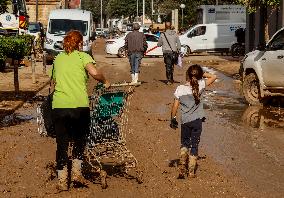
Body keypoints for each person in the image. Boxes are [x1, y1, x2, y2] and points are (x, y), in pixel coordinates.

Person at [51, 30, 110, 191]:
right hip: (79, 106)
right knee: (79, 140)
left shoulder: (58, 58)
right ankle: (77, 173)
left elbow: (54, 82)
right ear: (79, 43)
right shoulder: (83, 56)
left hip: (59, 106)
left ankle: (62, 180)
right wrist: (105, 81)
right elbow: (94, 73)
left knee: (61, 144)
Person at [170, 64, 217, 179]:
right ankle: (191, 172)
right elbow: (214, 76)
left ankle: (182, 166)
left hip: (185, 121)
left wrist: (173, 118)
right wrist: (202, 74)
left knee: (185, 143)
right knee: (194, 145)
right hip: (197, 121)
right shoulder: (200, 85)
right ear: (199, 76)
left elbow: (175, 106)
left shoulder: (180, 89)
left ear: (187, 75)